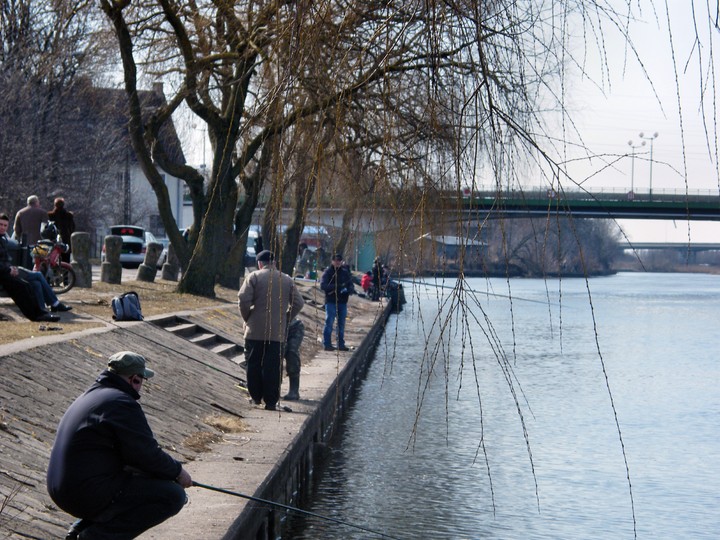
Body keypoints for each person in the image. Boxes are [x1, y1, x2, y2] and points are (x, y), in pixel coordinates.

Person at [47, 351, 193, 540]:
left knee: (139, 480)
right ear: (134, 379)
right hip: (84, 492)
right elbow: (147, 454)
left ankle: (79, 530)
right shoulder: (121, 403)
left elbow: (133, 454)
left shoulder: (93, 395)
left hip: (61, 489)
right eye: (141, 381)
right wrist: (178, 472)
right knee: (172, 495)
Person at [238, 250, 304, 410]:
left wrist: (248, 318)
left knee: (253, 364)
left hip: (255, 330)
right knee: (273, 367)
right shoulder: (286, 279)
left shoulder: (253, 277)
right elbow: (298, 303)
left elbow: (243, 299)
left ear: (260, 263)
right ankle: (271, 401)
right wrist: (286, 318)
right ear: (274, 263)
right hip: (276, 333)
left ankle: (255, 397)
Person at [0, 213, 68, 321]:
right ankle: (51, 306)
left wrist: (10, 268)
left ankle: (42, 312)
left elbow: (5, 260)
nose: (3, 227)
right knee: (29, 283)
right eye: (0, 225)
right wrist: (9, 269)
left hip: (7, 270)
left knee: (36, 282)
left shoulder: (3, 239)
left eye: (5, 225)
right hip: (4, 274)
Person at [320, 253, 355, 351]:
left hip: (343, 302)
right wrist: (337, 287)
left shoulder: (345, 273)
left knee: (341, 324)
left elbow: (350, 285)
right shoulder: (327, 273)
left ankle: (341, 344)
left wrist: (349, 290)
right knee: (329, 322)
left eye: (339, 260)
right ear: (332, 261)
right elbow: (323, 286)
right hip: (331, 301)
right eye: (336, 260)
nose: (337, 262)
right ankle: (327, 344)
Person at [47, 197, 76, 263]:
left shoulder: (50, 215)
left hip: (53, 240)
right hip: (65, 240)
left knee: (53, 259)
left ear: (55, 205)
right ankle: (65, 272)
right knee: (66, 259)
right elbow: (72, 228)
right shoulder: (68, 216)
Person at [283, 318, 305, 401]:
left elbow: (298, 304)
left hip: (293, 326)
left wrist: (289, 316)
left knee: (292, 354)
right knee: (275, 356)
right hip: (273, 327)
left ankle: (294, 391)